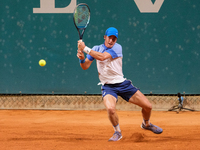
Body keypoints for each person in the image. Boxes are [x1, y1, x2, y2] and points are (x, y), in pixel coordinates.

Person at [76, 27, 163, 141]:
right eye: (109, 38)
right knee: (111, 109)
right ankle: (117, 132)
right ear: (104, 37)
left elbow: (102, 57)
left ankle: (146, 124)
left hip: (123, 84)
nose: (111, 41)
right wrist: (82, 59)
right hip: (108, 87)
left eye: (114, 39)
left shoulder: (117, 47)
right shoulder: (96, 49)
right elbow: (85, 66)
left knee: (148, 106)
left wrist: (84, 48)